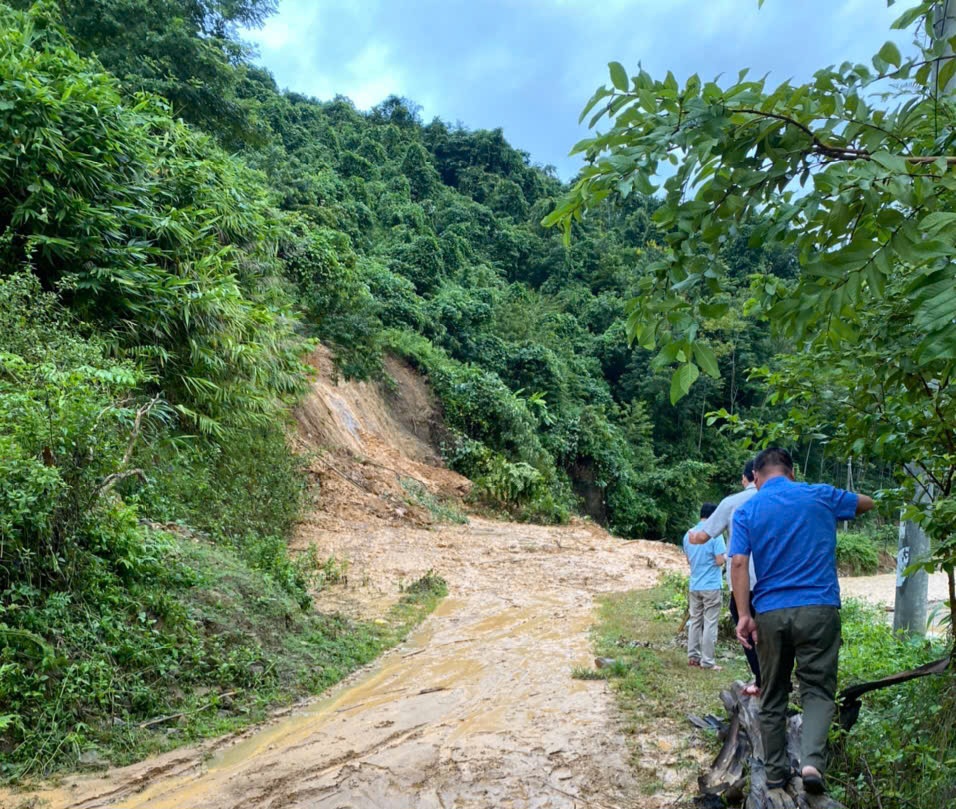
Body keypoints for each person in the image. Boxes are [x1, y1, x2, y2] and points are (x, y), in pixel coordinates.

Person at [729, 447, 874, 795]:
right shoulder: (819, 495)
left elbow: (737, 563)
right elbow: (866, 502)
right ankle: (811, 763)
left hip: (771, 612)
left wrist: (745, 615)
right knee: (818, 691)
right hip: (819, 608)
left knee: (773, 693)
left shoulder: (748, 508)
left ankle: (776, 774)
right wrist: (822, 498)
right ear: (792, 473)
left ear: (758, 478)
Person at [687, 459, 761, 694]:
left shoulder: (731, 504)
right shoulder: (782, 502)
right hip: (773, 583)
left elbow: (700, 539)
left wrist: (693, 537)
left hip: (732, 584)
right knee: (710, 622)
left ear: (745, 477)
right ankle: (773, 679)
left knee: (704, 621)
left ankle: (761, 678)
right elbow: (720, 557)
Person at [682, 503, 726, 671]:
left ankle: (693, 656)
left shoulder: (689, 535)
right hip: (711, 586)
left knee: (695, 621)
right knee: (710, 623)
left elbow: (688, 560)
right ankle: (707, 661)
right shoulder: (714, 535)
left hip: (695, 584)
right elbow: (719, 560)